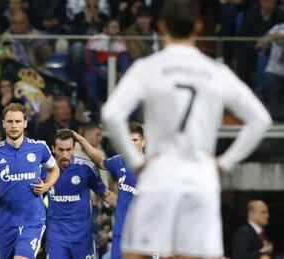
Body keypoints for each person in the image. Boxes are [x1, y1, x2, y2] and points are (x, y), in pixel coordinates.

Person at [101, 0, 272, 258]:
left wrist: (136, 161)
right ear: (199, 26)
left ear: (161, 26)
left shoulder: (148, 68)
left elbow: (111, 114)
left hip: (160, 174)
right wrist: (225, 163)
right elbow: (261, 120)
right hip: (200, 177)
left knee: (136, 253)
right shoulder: (215, 71)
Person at [0, 103, 60, 259]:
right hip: (5, 223)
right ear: (3, 123)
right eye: (10, 121)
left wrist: (47, 185)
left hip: (33, 221)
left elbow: (54, 169)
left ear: (25, 123)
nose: (14, 125)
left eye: (18, 121)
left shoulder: (39, 148)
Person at [73, 122, 145, 259]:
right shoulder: (119, 162)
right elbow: (99, 160)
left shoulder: (152, 169)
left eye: (135, 140)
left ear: (143, 142)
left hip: (142, 233)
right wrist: (81, 140)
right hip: (120, 232)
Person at [45, 129, 116, 259]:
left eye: (68, 149)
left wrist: (129, 204)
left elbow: (105, 194)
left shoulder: (86, 168)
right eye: (61, 150)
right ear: (53, 149)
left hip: (83, 239)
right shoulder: (44, 170)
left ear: (73, 149)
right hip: (56, 239)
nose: (65, 154)